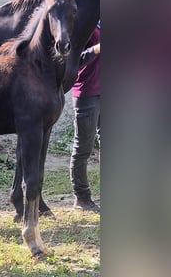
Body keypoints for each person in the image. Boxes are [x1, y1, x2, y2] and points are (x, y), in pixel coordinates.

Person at [70, 21, 101, 212]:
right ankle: (81, 198)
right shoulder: (86, 25)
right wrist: (96, 49)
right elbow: (74, 60)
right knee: (83, 147)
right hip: (87, 93)